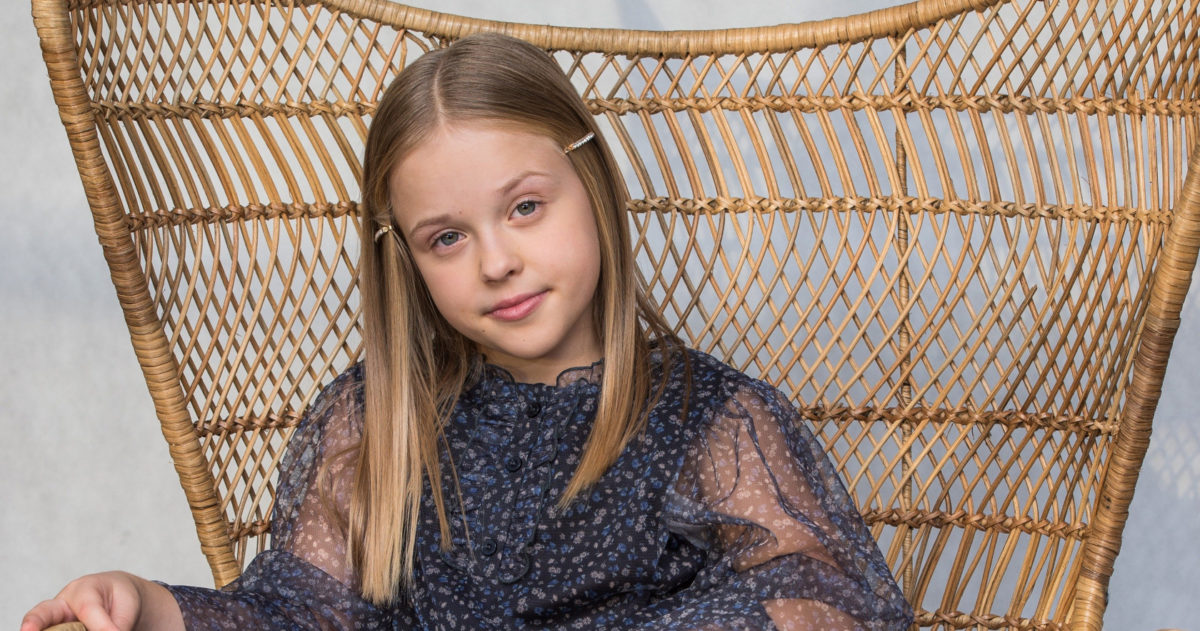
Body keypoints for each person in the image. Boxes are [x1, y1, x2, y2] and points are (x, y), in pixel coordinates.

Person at [22, 32, 913, 631]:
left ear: (593, 186)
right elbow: (297, 609)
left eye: (525, 207)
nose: (496, 261)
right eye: (447, 237)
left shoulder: (706, 418)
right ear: (407, 258)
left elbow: (824, 596)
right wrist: (149, 603)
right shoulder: (376, 419)